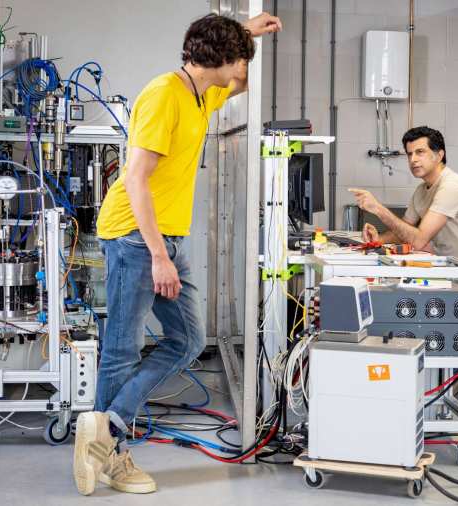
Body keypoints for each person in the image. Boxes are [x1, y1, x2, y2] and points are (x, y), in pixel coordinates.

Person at [72, 12, 282, 496]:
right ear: (219, 59)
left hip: (164, 238)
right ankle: (112, 456)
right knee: (123, 348)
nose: (241, 71)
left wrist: (243, 32)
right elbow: (135, 179)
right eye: (236, 61)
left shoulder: (201, 94)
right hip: (134, 237)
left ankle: (105, 427)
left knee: (188, 339)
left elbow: (242, 81)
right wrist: (158, 257)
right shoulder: (165, 94)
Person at [351, 126, 458, 268]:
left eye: (420, 152)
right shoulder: (421, 190)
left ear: (439, 155)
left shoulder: (453, 186)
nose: (413, 160)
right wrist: (379, 239)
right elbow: (404, 231)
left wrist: (378, 208)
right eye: (409, 154)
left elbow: (418, 240)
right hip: (447, 268)